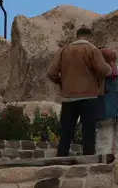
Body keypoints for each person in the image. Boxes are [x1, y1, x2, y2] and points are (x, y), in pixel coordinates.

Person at [48, 26, 111, 157]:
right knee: (88, 134)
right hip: (89, 97)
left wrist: (62, 83)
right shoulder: (92, 49)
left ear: (77, 36)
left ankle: (60, 162)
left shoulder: (64, 50)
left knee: (66, 133)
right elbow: (103, 70)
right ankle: (87, 164)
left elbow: (51, 73)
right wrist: (109, 69)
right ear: (90, 37)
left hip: (68, 98)